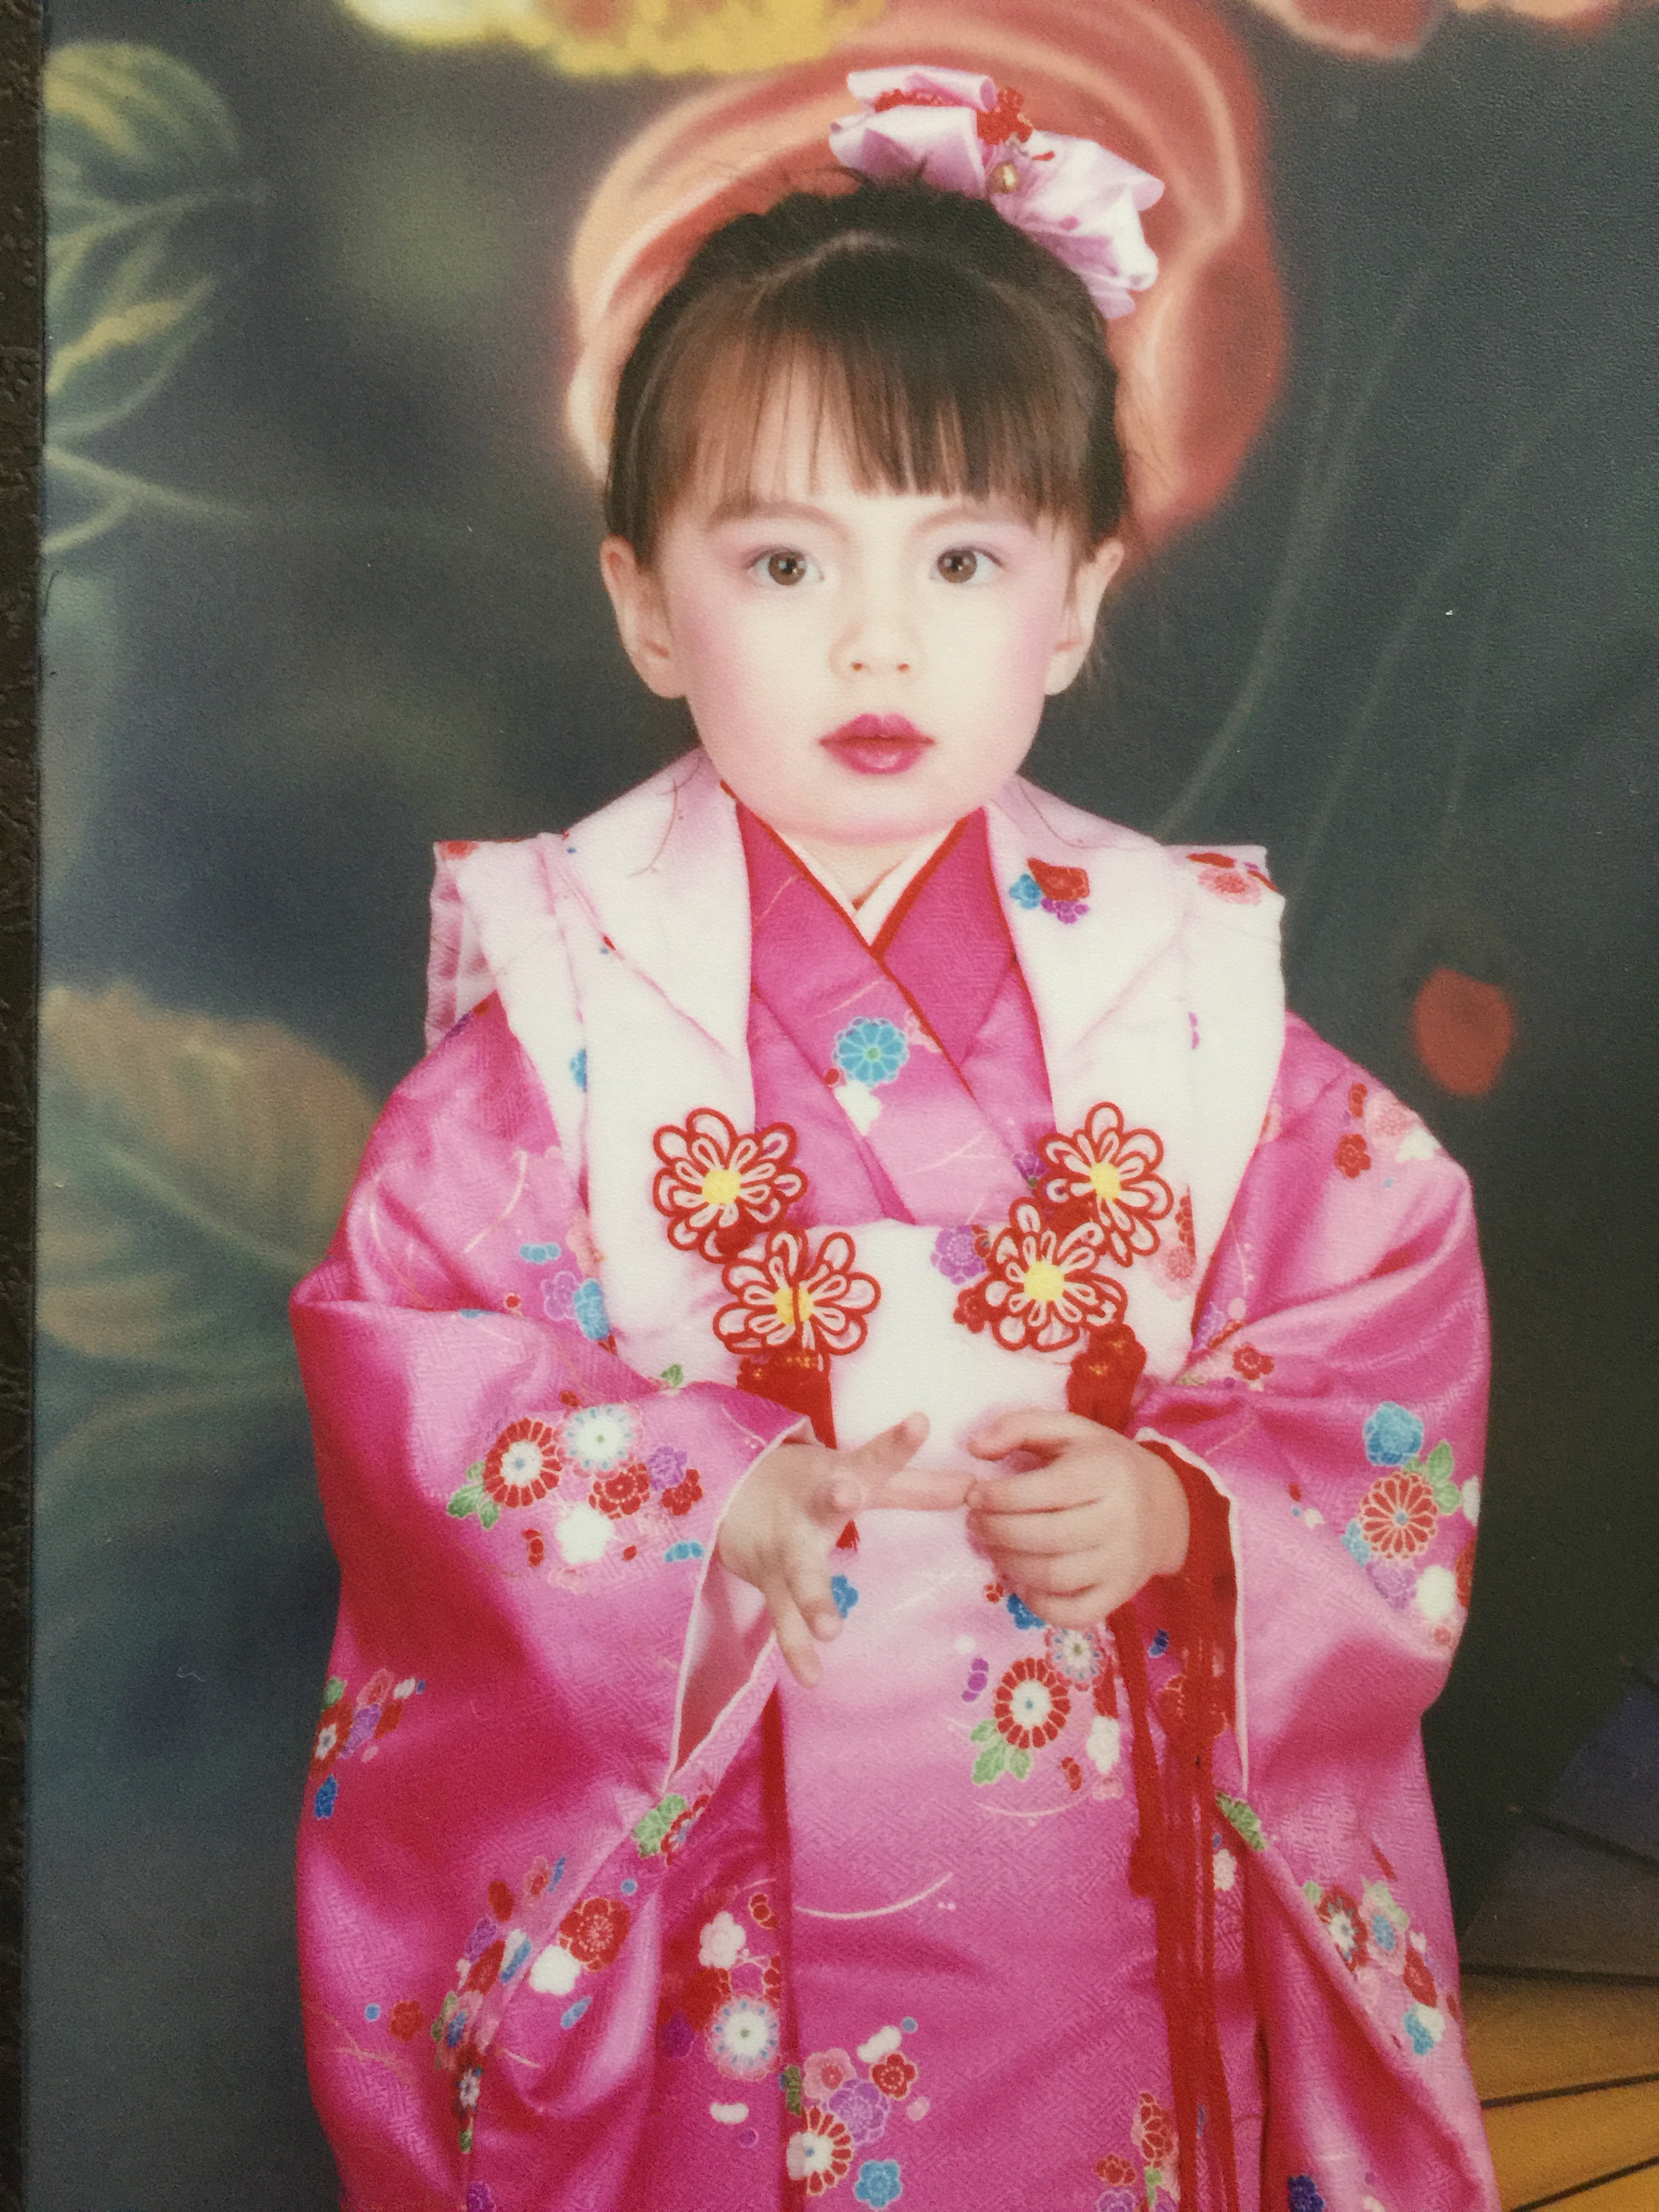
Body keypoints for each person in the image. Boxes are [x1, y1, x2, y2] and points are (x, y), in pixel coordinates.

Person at [292, 66, 1498, 2212]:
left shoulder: (1188, 988)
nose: (878, 639)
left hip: (1093, 1914)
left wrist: (1186, 1509)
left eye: (962, 553)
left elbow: (1376, 1325)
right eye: (779, 555)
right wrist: (683, 1500)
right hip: (724, 1920)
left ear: (1080, 598)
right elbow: (424, 1360)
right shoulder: (570, 999)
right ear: (650, 604)